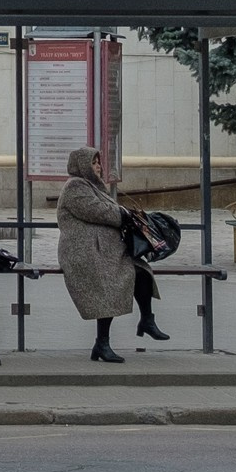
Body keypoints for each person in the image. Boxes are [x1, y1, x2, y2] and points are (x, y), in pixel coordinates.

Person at [56, 147, 167, 362]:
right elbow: (99, 211)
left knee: (141, 272)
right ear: (82, 165)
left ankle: (147, 320)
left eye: (99, 162)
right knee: (109, 282)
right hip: (83, 253)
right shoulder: (75, 186)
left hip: (102, 250)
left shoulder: (94, 187)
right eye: (94, 162)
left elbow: (108, 211)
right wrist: (124, 214)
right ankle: (102, 343)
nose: (98, 167)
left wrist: (124, 215)